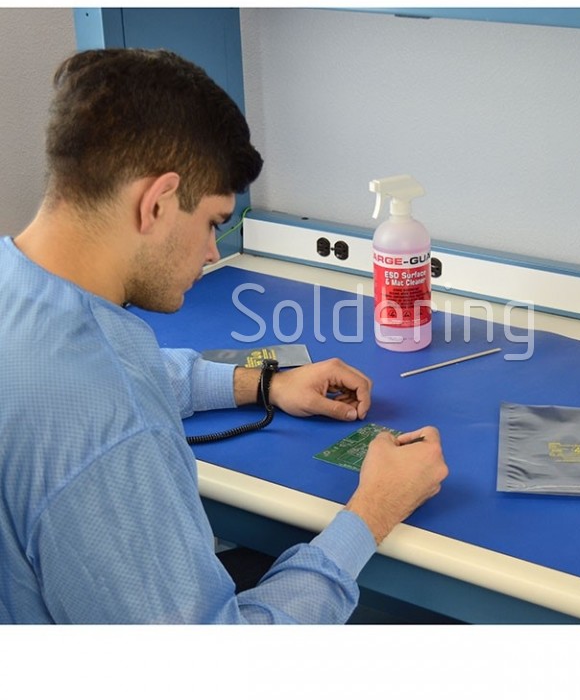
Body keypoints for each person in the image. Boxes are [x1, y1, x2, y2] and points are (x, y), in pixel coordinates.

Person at [0, 48, 448, 624]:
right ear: (156, 203)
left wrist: (265, 384)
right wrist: (371, 513)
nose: (213, 252)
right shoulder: (110, 425)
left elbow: (134, 371)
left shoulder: (24, 289)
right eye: (213, 221)